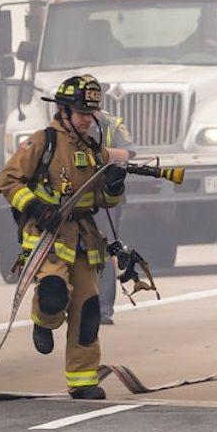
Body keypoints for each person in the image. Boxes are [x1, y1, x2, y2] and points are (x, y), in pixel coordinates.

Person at [0, 74, 126, 399]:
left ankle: (83, 381)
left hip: (85, 239)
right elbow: (8, 181)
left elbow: (102, 202)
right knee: (53, 292)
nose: (87, 119)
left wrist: (113, 186)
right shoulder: (42, 142)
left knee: (89, 310)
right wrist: (37, 208)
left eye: (90, 113)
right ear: (64, 110)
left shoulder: (94, 149)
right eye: (82, 112)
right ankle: (44, 319)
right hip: (49, 237)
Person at [96, 114, 133, 325]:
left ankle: (103, 310)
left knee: (105, 248)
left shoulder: (111, 124)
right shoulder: (62, 124)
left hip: (105, 198)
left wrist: (100, 155)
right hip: (73, 196)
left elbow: (127, 153)